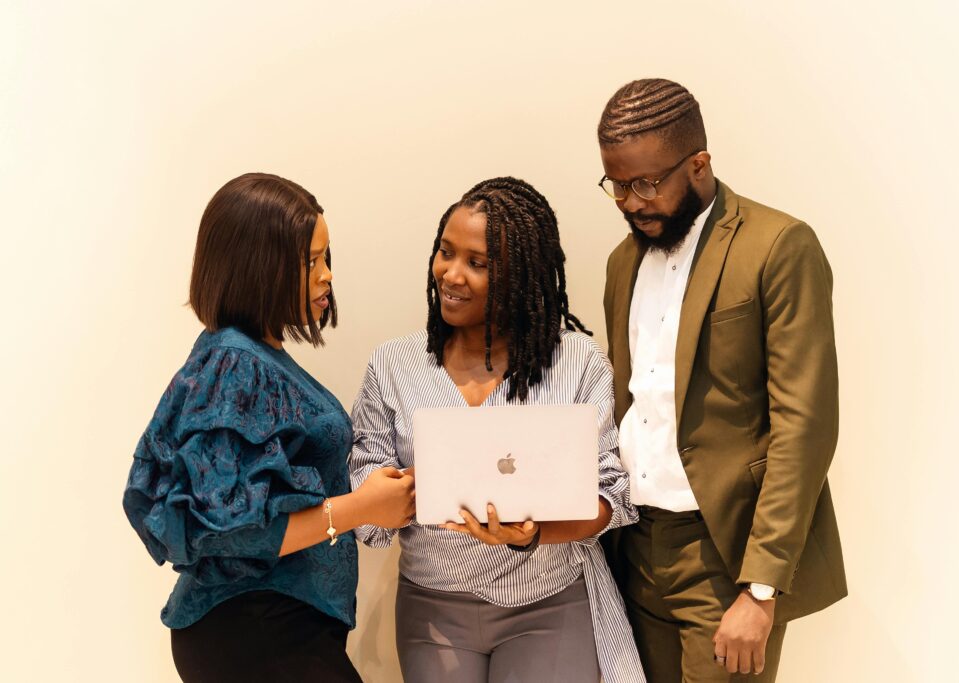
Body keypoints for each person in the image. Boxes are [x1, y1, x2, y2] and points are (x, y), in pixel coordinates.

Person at [596, 79, 847, 682]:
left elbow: (804, 427)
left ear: (700, 164)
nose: (631, 201)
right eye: (617, 185)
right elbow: (630, 401)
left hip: (725, 553)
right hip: (636, 545)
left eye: (647, 183)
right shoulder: (622, 262)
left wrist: (761, 588)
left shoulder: (778, 246)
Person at [348, 177, 644, 683]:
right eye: (445, 252)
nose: (452, 274)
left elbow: (611, 497)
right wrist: (408, 489)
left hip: (549, 604)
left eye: (477, 263)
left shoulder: (577, 362)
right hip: (432, 608)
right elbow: (369, 519)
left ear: (521, 277)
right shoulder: (393, 365)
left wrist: (532, 536)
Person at [122, 172, 415, 683]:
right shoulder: (236, 363)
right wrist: (362, 508)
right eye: (310, 263)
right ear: (260, 268)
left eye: (328, 258)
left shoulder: (253, 355)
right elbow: (230, 530)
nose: (326, 276)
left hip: (273, 624)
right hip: (255, 627)